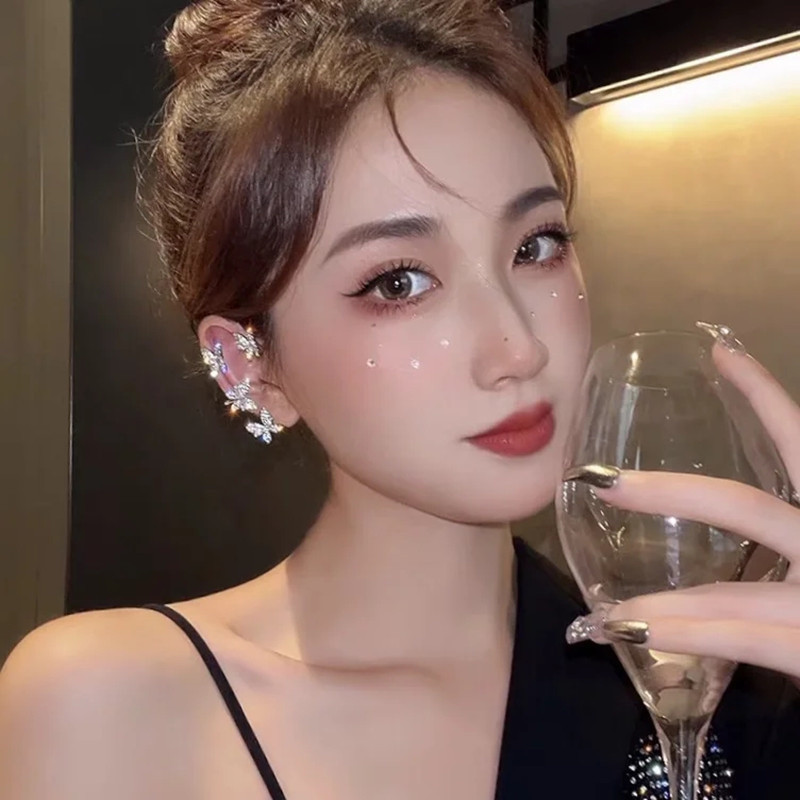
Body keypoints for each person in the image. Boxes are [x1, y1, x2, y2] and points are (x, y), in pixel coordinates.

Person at [1, 0, 798, 797]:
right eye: (398, 282)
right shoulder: (112, 706)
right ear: (250, 365)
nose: (519, 349)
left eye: (536, 246)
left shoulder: (710, 704)